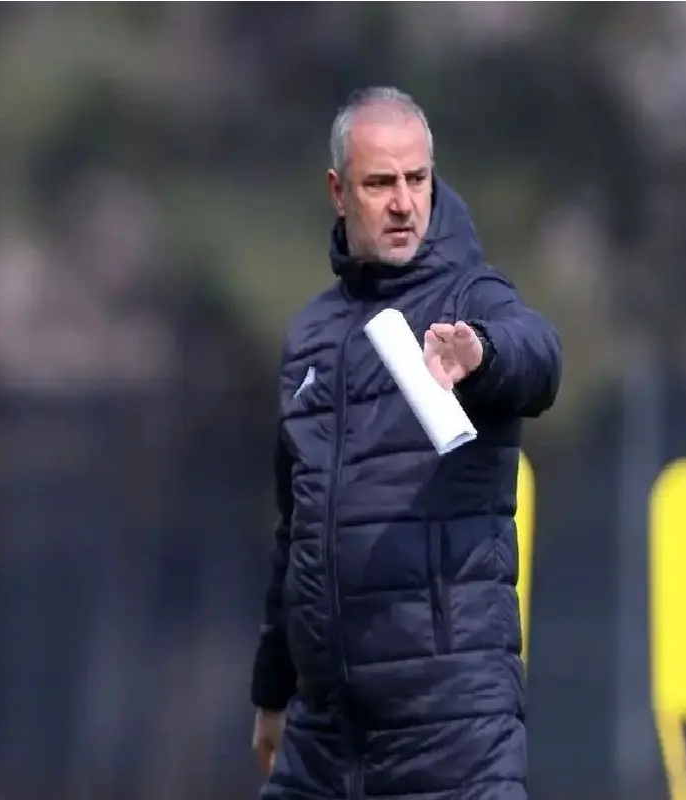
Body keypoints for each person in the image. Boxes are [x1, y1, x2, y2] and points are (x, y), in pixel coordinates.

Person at [249, 87, 562, 800]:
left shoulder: (470, 298)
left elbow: (540, 355)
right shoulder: (310, 338)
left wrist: (481, 355)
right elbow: (296, 535)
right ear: (338, 192)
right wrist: (272, 691)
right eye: (380, 183)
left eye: (417, 179)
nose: (403, 203)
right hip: (327, 740)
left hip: (453, 735)